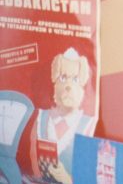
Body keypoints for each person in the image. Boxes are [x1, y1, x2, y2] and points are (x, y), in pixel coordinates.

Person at [30, 48, 96, 184]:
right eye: (63, 78)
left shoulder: (88, 126)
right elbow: (33, 161)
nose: (68, 85)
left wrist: (68, 180)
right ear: (55, 82)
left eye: (75, 79)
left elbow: (89, 173)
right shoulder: (41, 119)